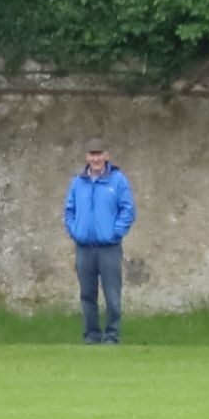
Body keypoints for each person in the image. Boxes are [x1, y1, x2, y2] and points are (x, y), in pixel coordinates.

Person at [64, 137, 136, 345]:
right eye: (91, 154)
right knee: (87, 295)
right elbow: (69, 211)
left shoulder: (118, 180)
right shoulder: (78, 182)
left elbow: (128, 211)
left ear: (106, 156)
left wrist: (115, 233)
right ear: (87, 157)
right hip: (84, 247)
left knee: (112, 295)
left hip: (109, 248)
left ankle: (112, 335)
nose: (95, 158)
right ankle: (91, 335)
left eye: (99, 154)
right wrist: (75, 231)